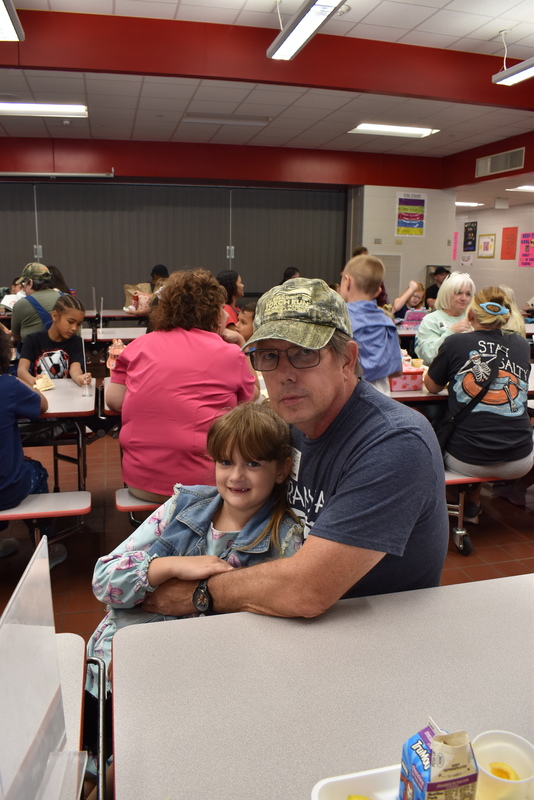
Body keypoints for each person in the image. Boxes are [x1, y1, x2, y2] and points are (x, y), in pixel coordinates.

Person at [140, 277, 449, 622]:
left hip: (374, 630)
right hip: (293, 618)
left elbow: (307, 591)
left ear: (347, 359)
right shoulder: (287, 421)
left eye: (304, 353)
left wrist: (198, 594)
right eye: (269, 355)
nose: (285, 374)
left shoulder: (395, 442)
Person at [83, 403, 304, 783]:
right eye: (225, 462)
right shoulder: (184, 505)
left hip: (188, 689)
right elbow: (105, 581)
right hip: (112, 670)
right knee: (85, 771)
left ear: (281, 469)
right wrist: (170, 566)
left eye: (253, 464)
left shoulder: (284, 540)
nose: (236, 476)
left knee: (135, 777)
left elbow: (270, 635)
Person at [106, 269, 256, 502]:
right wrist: (242, 345)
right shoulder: (229, 354)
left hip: (140, 482)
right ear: (210, 313)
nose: (226, 317)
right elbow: (251, 398)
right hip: (202, 487)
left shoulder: (137, 346)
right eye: (221, 310)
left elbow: (114, 400)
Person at [424, 286, 533, 523]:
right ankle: (488, 496)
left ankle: (460, 501)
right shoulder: (522, 345)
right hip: (519, 460)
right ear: (505, 317)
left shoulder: (454, 343)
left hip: (467, 459)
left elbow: (431, 386)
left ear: (471, 315)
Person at [0, 330, 57, 559]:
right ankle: (45, 547)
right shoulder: (9, 387)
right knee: (37, 471)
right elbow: (42, 405)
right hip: (6, 491)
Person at [340, 254, 402, 395]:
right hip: (381, 398)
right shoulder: (387, 322)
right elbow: (397, 370)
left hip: (348, 397)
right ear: (378, 291)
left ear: (347, 281)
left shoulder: (340, 319)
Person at [17, 295, 91, 387]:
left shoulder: (76, 342)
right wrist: (33, 380)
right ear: (55, 315)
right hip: (40, 393)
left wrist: (79, 377)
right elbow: (21, 370)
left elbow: (75, 368)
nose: (74, 328)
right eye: (71, 322)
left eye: (79, 324)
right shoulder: (32, 340)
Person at [415, 272, 475, 366]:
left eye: (468, 294)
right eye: (458, 293)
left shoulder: (474, 320)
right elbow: (428, 356)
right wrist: (451, 332)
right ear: (447, 294)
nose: (464, 298)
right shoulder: (431, 320)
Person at [10, 263, 58, 345]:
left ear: (30, 283)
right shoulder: (67, 299)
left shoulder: (22, 304)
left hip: (33, 355)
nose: (24, 289)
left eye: (24, 284)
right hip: (66, 354)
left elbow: (15, 336)